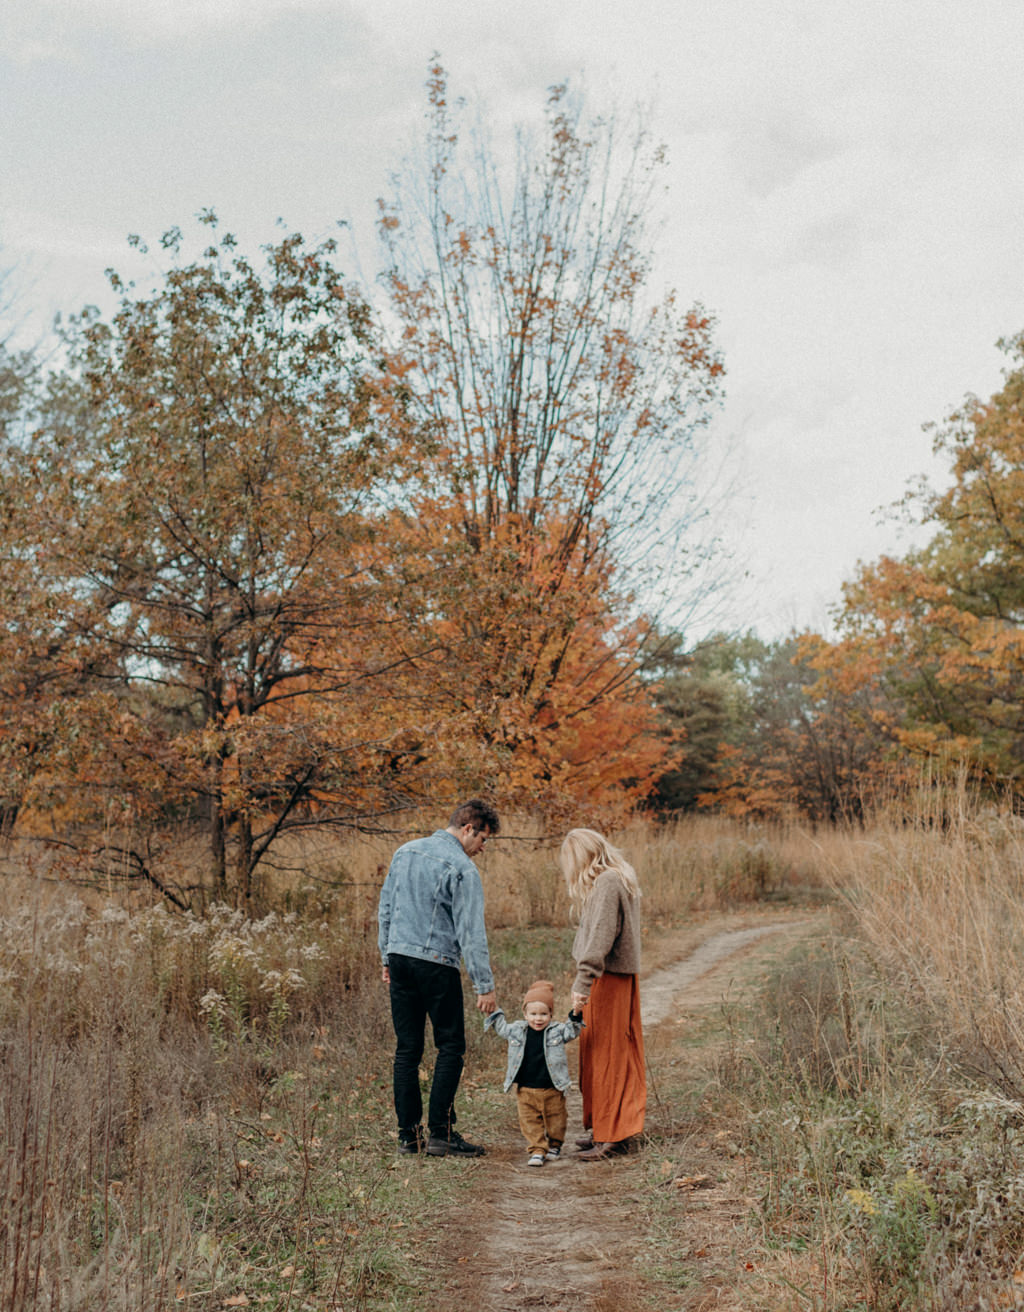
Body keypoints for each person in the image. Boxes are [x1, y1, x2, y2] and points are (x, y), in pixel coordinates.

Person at [377, 798, 500, 1157]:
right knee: (450, 1046)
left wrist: (387, 956)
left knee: (407, 1049)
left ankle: (408, 1137)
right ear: (467, 829)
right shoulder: (461, 868)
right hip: (436, 963)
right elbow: (471, 932)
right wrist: (484, 985)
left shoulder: (405, 852)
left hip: (399, 958)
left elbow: (386, 908)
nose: (483, 848)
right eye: (483, 839)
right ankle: (441, 1133)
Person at [560, 827, 645, 1161]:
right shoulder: (614, 879)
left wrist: (583, 981)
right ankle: (606, 1128)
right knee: (600, 1052)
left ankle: (612, 1134)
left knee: (609, 1054)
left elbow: (601, 936)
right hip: (610, 977)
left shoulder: (608, 882)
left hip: (607, 979)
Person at [485, 979, 584, 1167]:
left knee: (557, 1120)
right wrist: (493, 1009)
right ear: (525, 1013)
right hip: (526, 1089)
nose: (538, 1019)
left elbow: (572, 1031)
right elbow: (501, 1028)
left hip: (552, 1088)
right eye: (533, 1014)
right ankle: (537, 1149)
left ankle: (555, 1144)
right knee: (529, 1121)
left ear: (551, 1014)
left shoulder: (557, 1031)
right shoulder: (517, 1030)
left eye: (544, 1014)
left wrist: (576, 1013)